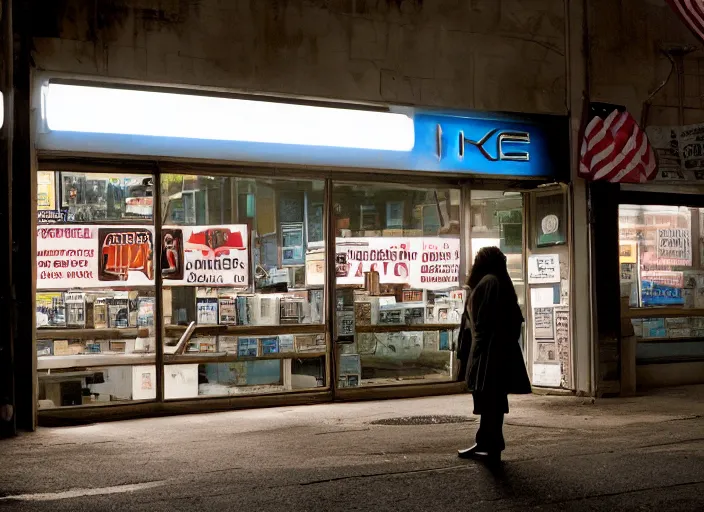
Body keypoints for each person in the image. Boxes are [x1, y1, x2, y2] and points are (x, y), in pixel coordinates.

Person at [457, 246, 531, 463]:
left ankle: (489, 444)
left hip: (488, 354)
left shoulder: (488, 283)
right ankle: (488, 442)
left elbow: (481, 324)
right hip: (498, 352)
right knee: (493, 399)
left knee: (489, 398)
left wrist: (473, 352)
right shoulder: (500, 282)